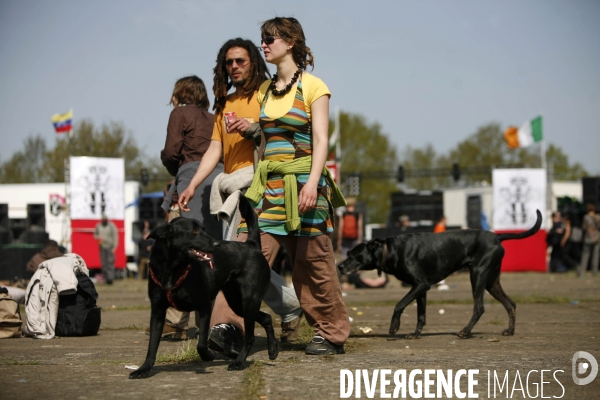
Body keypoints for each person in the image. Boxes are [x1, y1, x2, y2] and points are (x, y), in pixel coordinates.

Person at [178, 38, 303, 354]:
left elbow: (282, 133)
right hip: (231, 188)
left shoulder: (268, 94)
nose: (234, 67)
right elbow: (215, 149)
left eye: (240, 61)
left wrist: (253, 128)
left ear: (253, 62)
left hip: (261, 187)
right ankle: (290, 306)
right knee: (247, 262)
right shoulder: (224, 104)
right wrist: (192, 185)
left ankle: (227, 328)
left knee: (237, 262)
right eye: (229, 62)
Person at [246, 17, 350, 355]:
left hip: (306, 186)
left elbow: (321, 142)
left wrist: (313, 184)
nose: (264, 45)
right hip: (271, 190)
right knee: (249, 259)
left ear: (290, 43)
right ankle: (227, 327)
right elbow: (264, 141)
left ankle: (331, 333)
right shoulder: (264, 90)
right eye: (262, 39)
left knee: (313, 265)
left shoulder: (314, 86)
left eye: (270, 39)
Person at [153, 75, 224, 340]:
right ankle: (211, 320)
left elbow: (172, 152)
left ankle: (175, 321)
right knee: (209, 252)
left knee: (178, 250)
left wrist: (177, 169)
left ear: (179, 94)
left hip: (190, 181)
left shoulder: (179, 113)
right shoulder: (213, 117)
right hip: (217, 182)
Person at [93, 214, 118, 285]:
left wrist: (114, 247)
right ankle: (106, 279)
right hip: (102, 247)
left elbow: (115, 236)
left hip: (110, 247)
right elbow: (95, 235)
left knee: (110, 263)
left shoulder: (111, 226)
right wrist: (98, 237)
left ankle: (110, 279)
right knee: (104, 263)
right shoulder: (99, 225)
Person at [579, 203, 600, 278]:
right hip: (597, 238)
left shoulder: (586, 217)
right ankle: (594, 271)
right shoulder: (598, 217)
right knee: (595, 255)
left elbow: (584, 227)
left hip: (588, 238)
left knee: (585, 255)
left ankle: (582, 272)